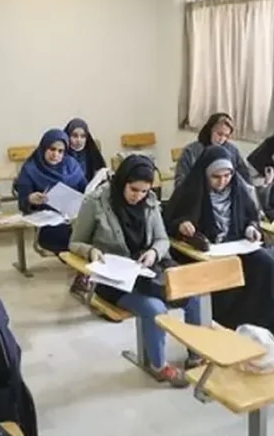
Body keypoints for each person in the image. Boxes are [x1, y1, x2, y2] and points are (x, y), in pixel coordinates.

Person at [70, 155, 202, 386]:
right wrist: (91, 252)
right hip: (114, 279)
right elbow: (74, 243)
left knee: (193, 294)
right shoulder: (96, 202)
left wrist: (154, 252)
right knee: (155, 308)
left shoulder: (150, 202)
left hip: (148, 270)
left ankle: (196, 354)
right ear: (123, 181)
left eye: (144, 191)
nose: (138, 196)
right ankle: (158, 366)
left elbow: (162, 239)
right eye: (133, 190)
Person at [165, 146, 274, 349]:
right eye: (216, 177)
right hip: (205, 257)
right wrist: (181, 226)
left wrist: (251, 228)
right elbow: (170, 222)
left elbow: (251, 217)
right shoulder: (190, 192)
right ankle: (230, 336)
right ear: (205, 174)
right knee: (239, 274)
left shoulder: (238, 189)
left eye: (227, 176)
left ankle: (272, 331)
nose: (223, 182)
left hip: (236, 248)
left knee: (266, 266)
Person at [14, 129, 88, 255]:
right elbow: (23, 201)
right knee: (69, 235)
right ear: (44, 148)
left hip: (74, 217)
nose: (55, 154)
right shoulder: (30, 169)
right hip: (49, 222)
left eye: (60, 151)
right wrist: (31, 199)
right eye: (52, 149)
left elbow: (86, 189)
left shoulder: (71, 165)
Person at [174, 112, 251, 187]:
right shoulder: (191, 151)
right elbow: (180, 181)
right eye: (219, 134)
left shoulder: (232, 150)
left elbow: (245, 176)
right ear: (209, 130)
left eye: (226, 136)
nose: (222, 139)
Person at [64, 118, 107, 183]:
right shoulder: (60, 154)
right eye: (75, 136)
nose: (79, 140)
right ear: (68, 136)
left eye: (83, 136)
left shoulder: (92, 154)